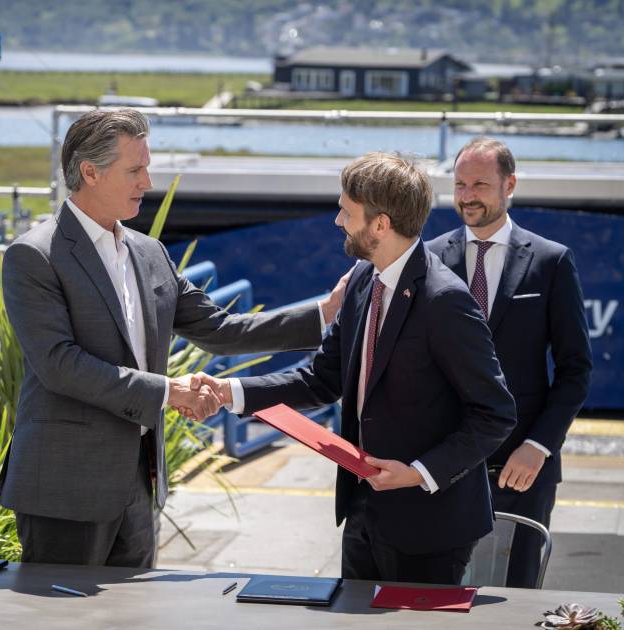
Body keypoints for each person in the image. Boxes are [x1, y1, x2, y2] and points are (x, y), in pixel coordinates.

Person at [0, 108, 348, 567]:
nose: (147, 181)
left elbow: (221, 330)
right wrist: (169, 392)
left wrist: (323, 314)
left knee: (135, 616)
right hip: (66, 488)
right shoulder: (34, 256)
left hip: (140, 486)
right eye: (135, 169)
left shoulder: (150, 253)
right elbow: (61, 366)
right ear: (90, 172)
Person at [194, 152, 516, 585]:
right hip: (364, 511)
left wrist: (419, 473)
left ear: (380, 224)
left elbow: (494, 414)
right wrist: (227, 392)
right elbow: (320, 379)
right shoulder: (364, 281)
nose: (338, 221)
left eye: (347, 211)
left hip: (429, 527)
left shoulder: (445, 302)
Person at [427, 137, 592, 588]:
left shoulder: (551, 262)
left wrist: (539, 446)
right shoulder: (429, 259)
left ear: (510, 184)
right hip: (441, 463)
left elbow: (575, 369)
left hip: (523, 465)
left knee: (516, 593)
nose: (466, 195)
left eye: (479, 183)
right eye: (460, 184)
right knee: (437, 594)